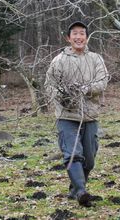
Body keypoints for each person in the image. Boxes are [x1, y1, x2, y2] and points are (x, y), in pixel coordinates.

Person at [45, 21, 109, 206]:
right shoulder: (59, 60)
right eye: (75, 34)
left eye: (82, 33)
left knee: (89, 159)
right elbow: (49, 84)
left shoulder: (96, 59)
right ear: (68, 38)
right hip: (67, 115)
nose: (79, 37)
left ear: (87, 37)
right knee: (73, 154)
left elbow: (102, 81)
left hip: (90, 115)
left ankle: (75, 189)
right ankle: (81, 191)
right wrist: (62, 97)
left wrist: (84, 90)